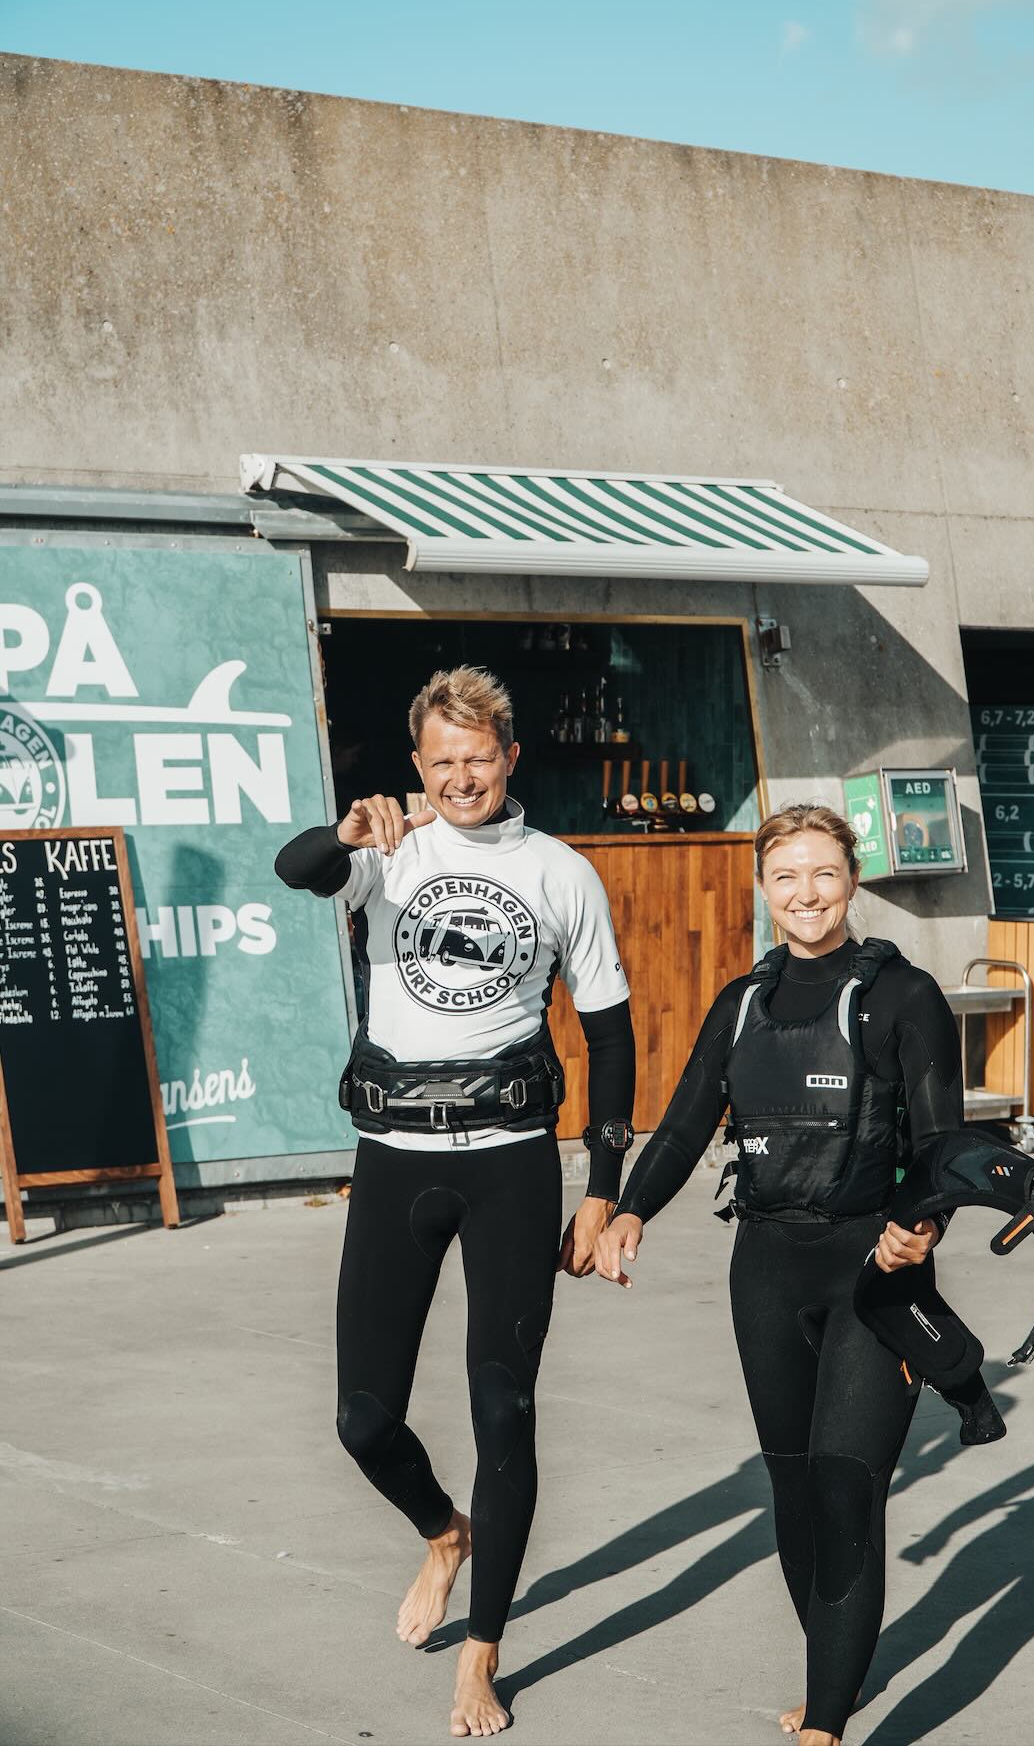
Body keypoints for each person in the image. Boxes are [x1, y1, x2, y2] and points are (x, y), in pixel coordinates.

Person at [275, 666, 635, 1740]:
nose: (463, 776)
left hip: (512, 1166)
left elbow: (610, 1037)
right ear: (419, 767)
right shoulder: (386, 853)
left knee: (503, 1411)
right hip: (394, 1162)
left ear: (511, 757)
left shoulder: (561, 872)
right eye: (443, 761)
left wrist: (604, 1188)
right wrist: (347, 833)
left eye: (480, 757)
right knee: (362, 1420)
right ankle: (444, 1532)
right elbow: (295, 868)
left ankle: (481, 1658)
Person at [595, 803, 962, 1746]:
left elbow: (943, 1146)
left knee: (847, 1489)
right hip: (763, 1267)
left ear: (852, 879)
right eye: (787, 876)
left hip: (873, 1272)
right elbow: (681, 1126)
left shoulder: (904, 995)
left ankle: (825, 1726)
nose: (806, 893)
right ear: (765, 889)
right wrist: (634, 1207)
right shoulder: (741, 1004)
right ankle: (830, 1672)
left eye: (824, 873)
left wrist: (919, 1231)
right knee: (794, 1491)